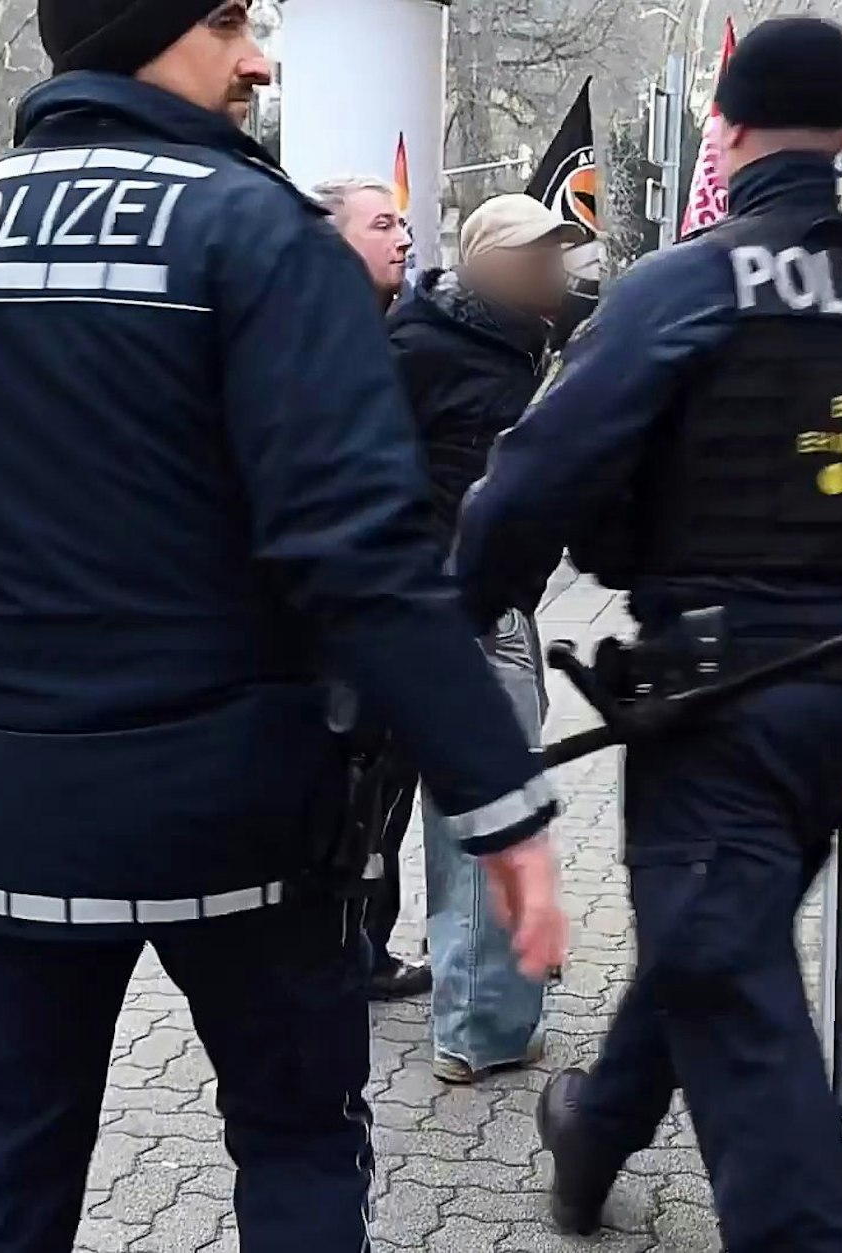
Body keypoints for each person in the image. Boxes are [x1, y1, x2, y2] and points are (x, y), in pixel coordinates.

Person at [0, 3, 568, 1250]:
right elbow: (359, 545)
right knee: (293, 1143)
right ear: (147, 27)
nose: (260, 57)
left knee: (13, 1146)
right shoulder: (255, 232)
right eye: (228, 21)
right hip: (240, 815)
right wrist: (496, 797)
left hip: (8, 806)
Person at [452, 18, 842, 1250]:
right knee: (714, 933)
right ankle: (590, 1128)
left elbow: (534, 482)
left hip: (714, 700)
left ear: (725, 131)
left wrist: (439, 642)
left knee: (732, 983)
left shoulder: (683, 283)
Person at [389, 192, 584, 1083]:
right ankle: (476, 1028)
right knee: (482, 820)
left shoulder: (529, 343)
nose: (554, 268)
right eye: (535, 253)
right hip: (453, 610)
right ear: (484, 262)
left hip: (503, 606)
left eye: (557, 252)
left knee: (493, 810)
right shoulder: (421, 345)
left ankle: (490, 1002)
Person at [314, 171, 432, 1002]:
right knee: (353, 790)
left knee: (385, 793)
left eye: (404, 224)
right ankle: (341, 947)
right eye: (383, 223)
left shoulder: (401, 334)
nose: (403, 238)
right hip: (339, 627)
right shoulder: (322, 344)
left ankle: (365, 942)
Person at [314, 175, 413, 309]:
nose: (406, 240)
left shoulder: (426, 324)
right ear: (335, 241)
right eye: (383, 226)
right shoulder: (293, 322)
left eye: (402, 225)